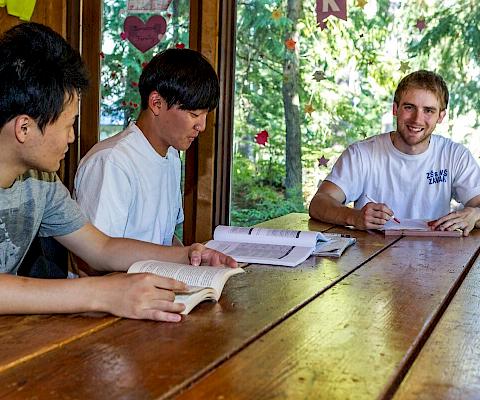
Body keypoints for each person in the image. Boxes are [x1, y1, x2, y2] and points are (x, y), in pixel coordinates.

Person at [0, 22, 236, 322]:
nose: (72, 138)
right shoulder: (109, 161)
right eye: (68, 124)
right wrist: (102, 292)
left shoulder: (41, 181)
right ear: (24, 128)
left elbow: (101, 247)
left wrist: (188, 254)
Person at [74, 48, 218, 246]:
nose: (201, 126)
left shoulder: (172, 156)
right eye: (194, 114)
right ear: (156, 103)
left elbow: (164, 240)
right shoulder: (112, 162)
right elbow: (88, 263)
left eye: (205, 115)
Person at [309, 70, 480, 236]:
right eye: (409, 107)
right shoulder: (361, 154)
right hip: (371, 258)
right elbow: (319, 203)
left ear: (441, 116)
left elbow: (477, 204)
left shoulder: (455, 156)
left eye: (428, 110)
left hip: (436, 257)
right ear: (395, 109)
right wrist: (355, 217)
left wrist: (475, 214)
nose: (417, 119)